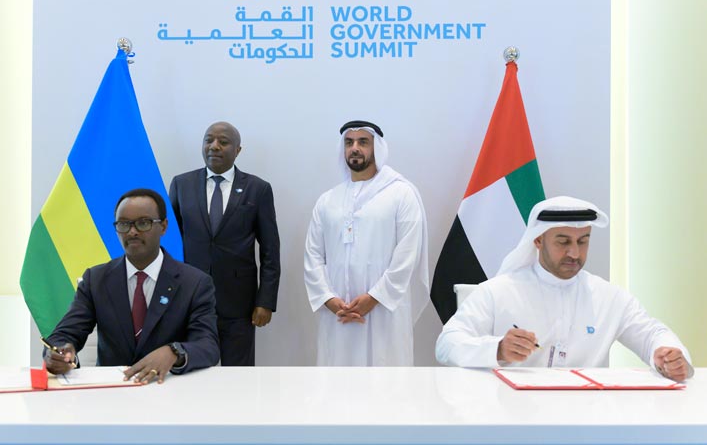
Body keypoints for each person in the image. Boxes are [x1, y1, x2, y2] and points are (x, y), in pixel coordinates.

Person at [435, 196, 693, 382]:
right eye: (563, 242)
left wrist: (668, 356)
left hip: (586, 419)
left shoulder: (609, 297)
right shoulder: (497, 291)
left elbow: (652, 334)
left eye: (583, 241)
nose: (575, 253)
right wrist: (498, 349)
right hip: (512, 417)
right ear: (538, 240)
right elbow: (447, 344)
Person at [44, 188, 219, 383]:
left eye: (143, 223)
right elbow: (64, 334)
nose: (132, 232)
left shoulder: (195, 283)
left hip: (168, 387)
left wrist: (174, 352)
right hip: (111, 390)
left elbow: (208, 345)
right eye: (124, 224)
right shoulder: (96, 279)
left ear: (163, 226)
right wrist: (60, 353)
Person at [303, 120, 429, 366]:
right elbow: (313, 255)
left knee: (385, 378)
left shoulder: (401, 194)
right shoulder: (328, 200)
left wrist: (374, 297)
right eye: (349, 142)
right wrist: (328, 299)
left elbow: (407, 255)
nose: (355, 148)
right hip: (338, 313)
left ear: (377, 148)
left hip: (383, 311)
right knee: (337, 379)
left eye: (363, 142)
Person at [168, 121, 281, 366]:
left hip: (239, 303)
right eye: (209, 140)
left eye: (223, 142)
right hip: (191, 299)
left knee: (239, 375)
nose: (214, 146)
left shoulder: (257, 189)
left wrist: (265, 301)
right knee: (193, 370)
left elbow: (270, 251)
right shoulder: (181, 184)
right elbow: (170, 243)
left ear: (238, 150)